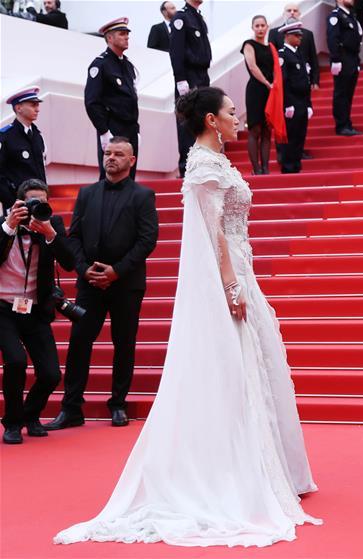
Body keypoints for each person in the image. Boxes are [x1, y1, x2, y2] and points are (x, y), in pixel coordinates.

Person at [53, 86, 322, 547]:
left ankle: (266, 464)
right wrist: (230, 285)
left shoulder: (217, 161)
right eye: (231, 112)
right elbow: (212, 232)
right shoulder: (203, 165)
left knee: (255, 367)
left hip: (242, 269)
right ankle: (232, 470)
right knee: (231, 369)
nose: (238, 118)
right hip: (226, 276)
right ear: (211, 120)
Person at [43, 138, 158, 431]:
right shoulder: (87, 193)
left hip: (126, 283)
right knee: (79, 342)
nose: (111, 158)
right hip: (89, 283)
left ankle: (118, 404)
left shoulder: (143, 195)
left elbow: (147, 240)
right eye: (108, 153)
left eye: (118, 154)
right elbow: (74, 237)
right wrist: (85, 270)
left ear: (132, 160)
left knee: (124, 343)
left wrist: (116, 272)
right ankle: (71, 408)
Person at [1, 179, 74, 444]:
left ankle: (30, 416)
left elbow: (69, 262)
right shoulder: (4, 224)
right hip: (3, 308)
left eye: (42, 202)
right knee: (16, 361)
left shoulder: (51, 224)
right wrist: (9, 227)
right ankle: (12, 423)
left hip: (34, 309)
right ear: (19, 202)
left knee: (51, 374)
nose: (36, 206)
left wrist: (50, 234)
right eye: (32, 201)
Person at [85, 18, 140, 181]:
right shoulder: (100, 65)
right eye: (122, 34)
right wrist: (103, 131)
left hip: (130, 127)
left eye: (127, 34)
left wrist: (136, 130)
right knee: (111, 175)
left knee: (129, 175)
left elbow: (131, 98)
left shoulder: (127, 65)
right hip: (113, 127)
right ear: (109, 37)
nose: (126, 37)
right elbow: (92, 101)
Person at [170, 0, 212, 177]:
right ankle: (188, 167)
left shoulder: (197, 17)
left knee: (201, 121)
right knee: (187, 122)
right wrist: (180, 79)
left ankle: (203, 165)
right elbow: (176, 51)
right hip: (189, 76)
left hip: (202, 76)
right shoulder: (181, 17)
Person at [0, 87, 46, 211]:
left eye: (37, 105)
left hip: (39, 204)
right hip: (16, 205)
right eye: (33, 105)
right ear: (18, 108)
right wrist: (12, 201)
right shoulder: (5, 136)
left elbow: (41, 171)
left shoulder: (37, 136)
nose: (37, 109)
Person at [277, 22, 312, 174]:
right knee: (291, 135)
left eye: (300, 35)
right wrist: (288, 104)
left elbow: (305, 81)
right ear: (287, 36)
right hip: (292, 101)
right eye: (296, 35)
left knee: (300, 134)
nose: (300, 38)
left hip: (302, 101)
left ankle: (296, 164)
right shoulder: (283, 55)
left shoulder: (298, 54)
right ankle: (288, 166)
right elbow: (283, 81)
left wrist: (309, 104)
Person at [242, 15, 275, 175]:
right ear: (253, 28)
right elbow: (252, 67)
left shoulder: (271, 47)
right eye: (257, 26)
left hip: (270, 92)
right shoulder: (248, 44)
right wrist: (267, 83)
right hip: (256, 90)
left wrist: (274, 86)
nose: (260, 28)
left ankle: (266, 169)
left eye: (263, 25)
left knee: (267, 131)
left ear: (267, 27)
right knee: (255, 129)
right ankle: (256, 169)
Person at [328, 0, 363, 136]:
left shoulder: (350, 16)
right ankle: (341, 125)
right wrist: (336, 59)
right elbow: (333, 38)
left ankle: (347, 123)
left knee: (348, 93)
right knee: (342, 92)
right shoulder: (336, 16)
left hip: (352, 58)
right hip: (343, 58)